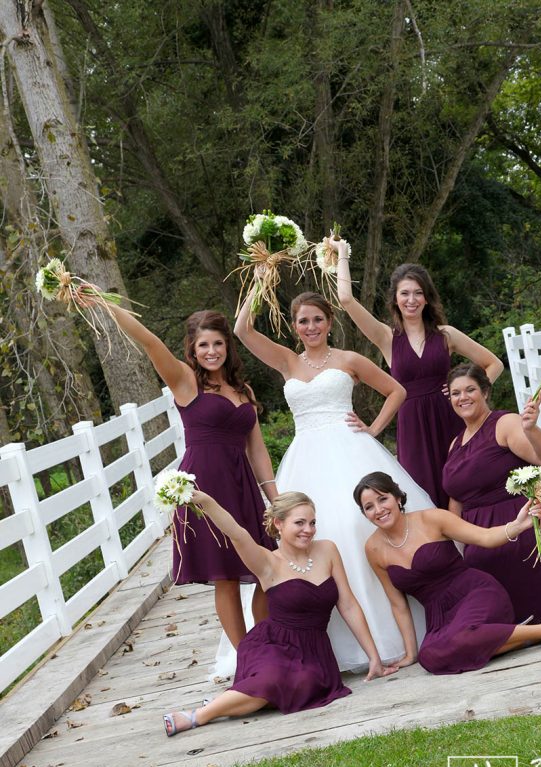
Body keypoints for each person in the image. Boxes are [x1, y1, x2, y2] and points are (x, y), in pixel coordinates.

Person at [231, 284, 434, 671]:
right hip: (305, 456)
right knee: (309, 535)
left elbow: (396, 390)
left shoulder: (349, 359)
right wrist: (259, 280)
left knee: (358, 528)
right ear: (294, 326)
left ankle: (389, 635)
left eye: (318, 320)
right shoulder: (288, 361)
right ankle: (328, 644)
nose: (311, 327)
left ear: (329, 322)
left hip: (351, 450)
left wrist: (372, 429)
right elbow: (242, 331)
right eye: (303, 321)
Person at [78, 291, 277, 648]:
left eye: (218, 343)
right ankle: (246, 657)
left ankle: (266, 646)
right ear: (193, 349)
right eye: (204, 345)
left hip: (243, 486)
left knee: (266, 568)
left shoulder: (243, 390)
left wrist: (275, 500)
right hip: (206, 487)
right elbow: (150, 342)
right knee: (226, 577)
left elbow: (258, 451)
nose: (212, 351)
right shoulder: (186, 382)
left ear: (228, 346)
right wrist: (107, 305)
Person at [163, 491, 398, 735]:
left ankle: (225, 702)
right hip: (272, 645)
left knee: (303, 684)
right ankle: (195, 717)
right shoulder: (267, 562)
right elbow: (236, 533)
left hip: (313, 650)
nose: (308, 529)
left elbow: (348, 604)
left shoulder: (327, 550)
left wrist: (374, 658)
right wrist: (206, 502)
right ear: (279, 523)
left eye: (312, 522)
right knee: (271, 680)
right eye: (299, 523)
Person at [355, 472, 541, 676]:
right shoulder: (373, 549)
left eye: (382, 499)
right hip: (439, 615)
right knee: (430, 657)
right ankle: (527, 635)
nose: (378, 510)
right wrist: (410, 653)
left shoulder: (432, 519)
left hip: (475, 592)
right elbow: (398, 604)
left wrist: (517, 526)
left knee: (463, 638)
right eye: (369, 507)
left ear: (397, 497)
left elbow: (484, 537)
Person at [329, 237, 504, 507]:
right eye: (405, 293)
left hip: (451, 417)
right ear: (395, 299)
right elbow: (345, 299)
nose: (412, 300)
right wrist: (342, 253)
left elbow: (494, 364)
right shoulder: (386, 337)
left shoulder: (446, 335)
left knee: (464, 486)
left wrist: (470, 394)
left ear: (427, 297)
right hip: (412, 426)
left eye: (418, 293)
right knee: (423, 494)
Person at [442, 363, 541, 624]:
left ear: (485, 392)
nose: (463, 398)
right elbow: (456, 497)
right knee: (470, 582)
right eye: (456, 393)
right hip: (480, 531)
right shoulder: (455, 443)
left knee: (501, 587)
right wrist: (452, 544)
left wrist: (530, 429)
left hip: (522, 515)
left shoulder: (504, 424)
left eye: (470, 390)